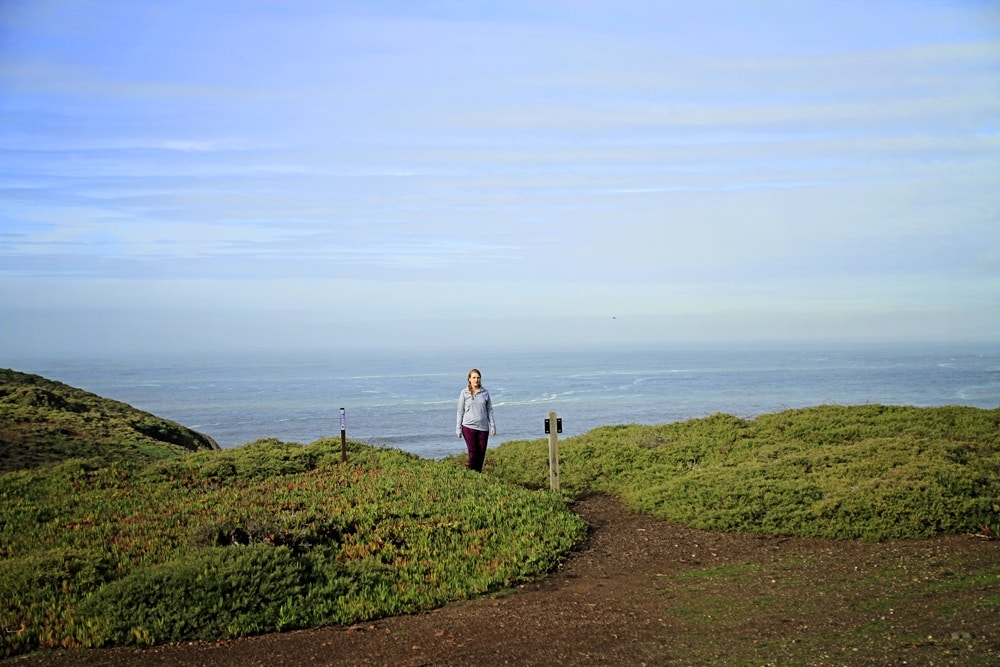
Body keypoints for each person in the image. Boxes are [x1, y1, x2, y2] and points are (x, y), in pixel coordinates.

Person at [456, 368, 496, 472]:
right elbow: (460, 411)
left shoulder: (485, 393)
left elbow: (489, 410)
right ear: (469, 379)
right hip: (469, 427)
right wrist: (458, 428)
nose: (476, 380)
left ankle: (478, 474)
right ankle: (472, 474)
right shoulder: (464, 393)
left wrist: (492, 426)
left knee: (481, 452)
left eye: (478, 377)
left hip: (483, 428)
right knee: (473, 452)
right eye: (474, 377)